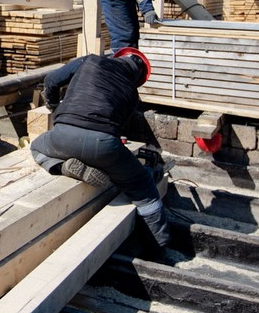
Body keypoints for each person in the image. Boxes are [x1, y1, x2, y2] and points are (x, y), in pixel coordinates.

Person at [29, 47, 171, 248]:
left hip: (62, 136)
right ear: (137, 78)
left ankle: (62, 167)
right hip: (102, 146)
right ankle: (160, 244)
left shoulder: (90, 61)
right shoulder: (132, 94)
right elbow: (121, 129)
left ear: (119, 57)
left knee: (36, 147)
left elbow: (51, 80)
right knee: (143, 187)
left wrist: (54, 107)